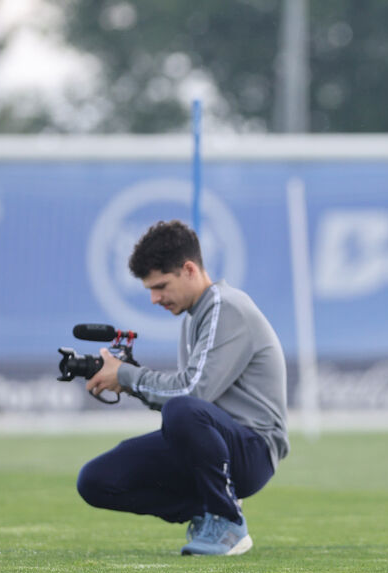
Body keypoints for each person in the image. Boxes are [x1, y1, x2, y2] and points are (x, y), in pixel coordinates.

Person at [77, 219, 289, 556]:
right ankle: (204, 511)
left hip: (253, 450)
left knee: (182, 409)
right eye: (149, 288)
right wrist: (125, 382)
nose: (154, 298)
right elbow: (188, 401)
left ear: (189, 269)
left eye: (160, 285)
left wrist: (130, 376)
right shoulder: (193, 316)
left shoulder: (225, 306)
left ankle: (227, 520)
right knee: (96, 480)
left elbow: (192, 395)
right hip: (214, 444)